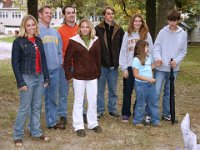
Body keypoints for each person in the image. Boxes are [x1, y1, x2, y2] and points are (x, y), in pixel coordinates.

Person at [12, 15, 50, 147]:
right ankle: (17, 135)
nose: (31, 27)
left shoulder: (39, 41)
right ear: (24, 27)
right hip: (26, 78)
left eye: (33, 25)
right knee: (24, 108)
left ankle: (36, 132)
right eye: (28, 25)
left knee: (37, 106)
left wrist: (46, 77)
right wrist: (20, 82)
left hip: (39, 77)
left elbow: (43, 60)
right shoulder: (18, 42)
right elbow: (14, 63)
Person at [64, 19, 102, 137]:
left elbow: (98, 58)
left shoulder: (95, 40)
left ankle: (92, 123)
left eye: (87, 27)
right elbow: (67, 60)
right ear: (79, 28)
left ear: (90, 28)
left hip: (92, 76)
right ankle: (78, 125)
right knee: (79, 101)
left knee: (92, 101)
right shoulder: (74, 41)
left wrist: (98, 72)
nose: (85, 29)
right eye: (83, 27)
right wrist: (69, 75)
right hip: (79, 77)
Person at [153, 10, 187, 121]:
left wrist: (176, 61)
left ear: (178, 21)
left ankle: (166, 114)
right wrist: (158, 58)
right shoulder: (162, 32)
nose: (171, 23)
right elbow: (156, 47)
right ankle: (151, 113)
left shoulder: (182, 33)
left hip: (173, 69)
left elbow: (183, 51)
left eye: (174, 21)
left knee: (169, 92)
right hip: (161, 68)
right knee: (156, 91)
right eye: (170, 21)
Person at [119, 14, 153, 123]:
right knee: (127, 91)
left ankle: (137, 113)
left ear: (142, 22)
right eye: (135, 21)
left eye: (139, 21)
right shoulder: (127, 34)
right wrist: (123, 68)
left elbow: (151, 50)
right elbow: (123, 51)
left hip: (142, 68)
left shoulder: (146, 35)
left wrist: (149, 66)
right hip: (129, 67)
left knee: (141, 92)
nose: (137, 23)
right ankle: (125, 113)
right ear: (132, 22)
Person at [95, 6, 124, 119]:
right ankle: (99, 110)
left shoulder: (119, 29)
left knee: (113, 89)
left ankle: (112, 110)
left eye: (112, 13)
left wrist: (119, 61)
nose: (110, 15)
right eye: (108, 13)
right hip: (102, 65)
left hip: (113, 66)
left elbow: (123, 46)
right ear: (104, 15)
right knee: (100, 90)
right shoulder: (98, 29)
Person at [38, 6, 64, 129]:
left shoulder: (55, 32)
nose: (49, 15)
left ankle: (52, 122)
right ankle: (33, 125)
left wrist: (59, 63)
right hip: (41, 72)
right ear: (40, 15)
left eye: (51, 13)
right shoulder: (36, 31)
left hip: (55, 71)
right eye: (46, 13)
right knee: (36, 99)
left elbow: (59, 51)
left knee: (53, 98)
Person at [57, 5, 80, 126]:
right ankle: (62, 115)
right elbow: (59, 49)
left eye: (73, 12)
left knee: (80, 91)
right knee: (63, 92)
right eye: (68, 13)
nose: (71, 15)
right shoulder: (60, 31)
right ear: (64, 15)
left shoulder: (82, 28)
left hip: (80, 65)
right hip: (65, 66)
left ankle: (82, 113)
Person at [132, 40, 160, 128]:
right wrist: (148, 79)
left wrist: (155, 65)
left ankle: (155, 120)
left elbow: (148, 67)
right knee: (141, 103)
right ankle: (137, 121)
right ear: (141, 48)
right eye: (146, 47)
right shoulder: (136, 60)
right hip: (141, 85)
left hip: (150, 85)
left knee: (153, 102)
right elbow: (136, 74)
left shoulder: (149, 57)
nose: (148, 48)